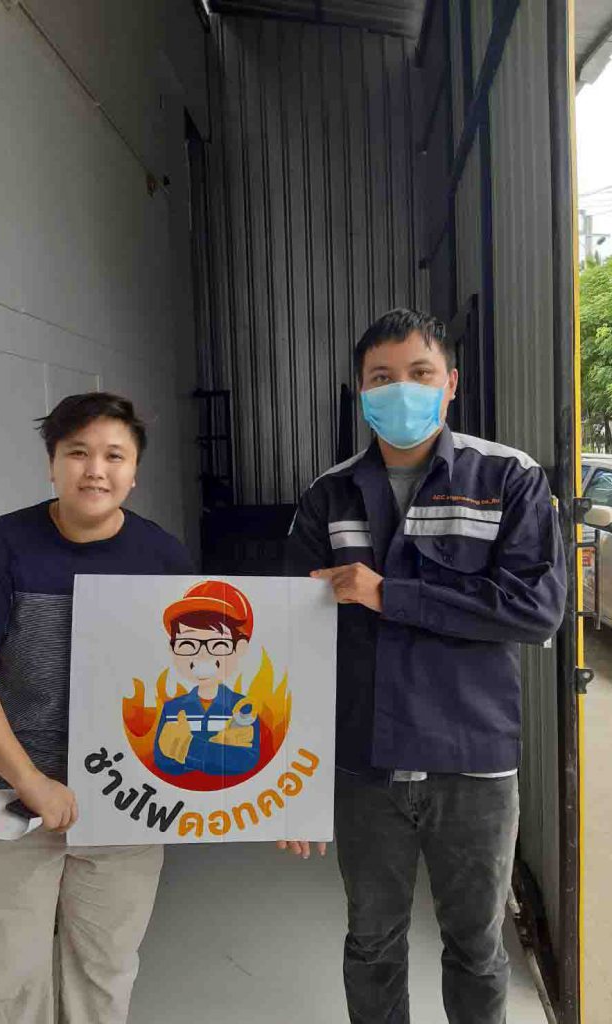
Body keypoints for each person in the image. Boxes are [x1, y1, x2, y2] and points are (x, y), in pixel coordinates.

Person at [280, 309, 567, 1024]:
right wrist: (290, 782)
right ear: (360, 390)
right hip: (364, 764)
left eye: (420, 373)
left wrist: (390, 595)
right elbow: (288, 643)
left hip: (471, 762)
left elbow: (536, 611)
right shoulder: (328, 494)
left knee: (476, 946)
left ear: (451, 384)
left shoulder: (508, 478)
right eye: (382, 377)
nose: (400, 389)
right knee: (371, 942)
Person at [0, 392, 194, 1024]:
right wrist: (32, 782)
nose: (95, 470)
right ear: (52, 463)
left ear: (135, 470)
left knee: (105, 970)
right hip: (6, 794)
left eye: (114, 456)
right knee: (4, 980)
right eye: (77, 453)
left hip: (125, 800)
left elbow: (187, 673)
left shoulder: (162, 557)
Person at [154, 580, 260, 777]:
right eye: (188, 644)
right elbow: (163, 761)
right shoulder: (172, 709)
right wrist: (218, 752)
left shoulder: (243, 708)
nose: (202, 655)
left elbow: (245, 761)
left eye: (218, 644)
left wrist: (187, 748)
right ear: (173, 648)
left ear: (240, 648)